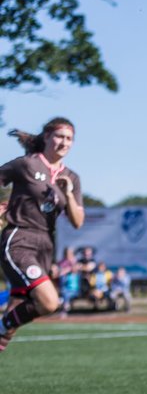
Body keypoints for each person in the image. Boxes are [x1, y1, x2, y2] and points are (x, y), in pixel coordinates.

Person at [0, 118, 85, 353]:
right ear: (46, 137)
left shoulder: (72, 178)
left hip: (46, 245)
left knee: (11, 325)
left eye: (69, 139)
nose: (64, 142)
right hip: (20, 239)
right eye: (59, 136)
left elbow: (78, 222)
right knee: (50, 302)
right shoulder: (26, 164)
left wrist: (67, 194)